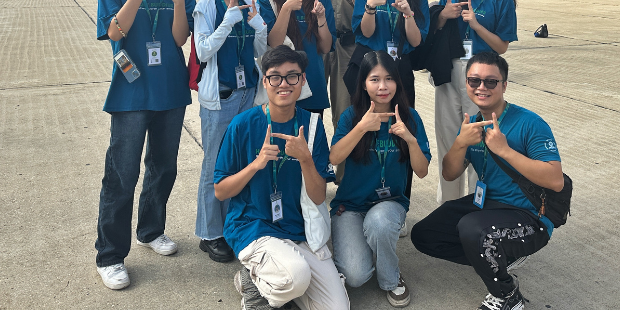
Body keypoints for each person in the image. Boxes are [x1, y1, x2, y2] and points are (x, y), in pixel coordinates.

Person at [406, 49, 558, 310]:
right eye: (474, 81)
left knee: (472, 228)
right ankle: (497, 258)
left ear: (504, 85)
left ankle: (507, 295)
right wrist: (460, 143)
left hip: (530, 216)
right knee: (424, 235)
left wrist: (505, 151)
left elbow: (555, 180)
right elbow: (450, 174)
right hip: (487, 205)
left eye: (491, 81)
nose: (481, 87)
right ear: (466, 83)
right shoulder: (473, 124)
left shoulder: (529, 123)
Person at [93, 0, 197, 290]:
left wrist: (177, 1)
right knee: (122, 174)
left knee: (163, 167)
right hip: (131, 93)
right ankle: (110, 255)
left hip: (170, 90)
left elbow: (180, 39)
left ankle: (150, 230)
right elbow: (114, 32)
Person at [213, 45, 341, 310]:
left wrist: (305, 159)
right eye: (275, 77)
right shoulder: (242, 124)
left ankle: (276, 281)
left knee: (336, 307)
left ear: (303, 80)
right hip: (253, 226)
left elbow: (318, 196)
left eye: (292, 76)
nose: (284, 84)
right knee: (296, 277)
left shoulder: (312, 126)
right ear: (265, 82)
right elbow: (221, 191)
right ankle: (253, 283)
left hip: (298, 229)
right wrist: (256, 165)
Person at [329, 49, 428, 306]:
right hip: (351, 206)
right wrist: (361, 128)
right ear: (364, 84)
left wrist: (410, 139)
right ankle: (365, 244)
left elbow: (422, 170)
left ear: (397, 81)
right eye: (374, 79)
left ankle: (391, 278)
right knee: (356, 276)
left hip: (390, 203)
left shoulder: (410, 117)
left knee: (380, 223)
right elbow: (335, 157)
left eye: (389, 79)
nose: (382, 86)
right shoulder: (351, 116)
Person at [196, 0, 271, 264]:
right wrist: (226, 23)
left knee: (240, 162)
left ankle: (233, 226)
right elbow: (202, 51)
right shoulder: (207, 6)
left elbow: (259, 51)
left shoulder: (249, 4)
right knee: (214, 164)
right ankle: (209, 233)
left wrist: (260, 28)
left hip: (247, 95)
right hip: (221, 97)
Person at [429, 0, 518, 202]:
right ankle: (449, 205)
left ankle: (477, 205)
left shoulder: (502, 0)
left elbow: (502, 47)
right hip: (449, 71)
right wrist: (443, 15)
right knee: (448, 137)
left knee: (479, 139)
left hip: (482, 77)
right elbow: (433, 29)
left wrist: (477, 26)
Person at [257, 0, 334, 128]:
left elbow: (325, 47)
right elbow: (274, 43)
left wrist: (321, 18)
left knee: (309, 140)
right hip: (281, 87)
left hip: (313, 85)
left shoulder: (321, 0)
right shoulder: (267, 1)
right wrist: (286, 9)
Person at [348, 0, 428, 99]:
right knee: (366, 113)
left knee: (401, 113)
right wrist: (370, 6)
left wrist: (408, 14)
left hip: (399, 67)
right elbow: (366, 33)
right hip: (370, 64)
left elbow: (415, 42)